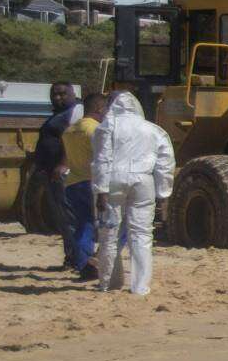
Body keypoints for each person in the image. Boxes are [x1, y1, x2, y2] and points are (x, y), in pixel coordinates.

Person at [91, 91, 175, 295]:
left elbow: (102, 159)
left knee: (109, 233)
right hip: (143, 181)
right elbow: (166, 163)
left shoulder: (107, 127)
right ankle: (140, 286)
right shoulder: (154, 130)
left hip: (112, 181)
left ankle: (109, 282)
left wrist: (101, 190)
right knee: (142, 234)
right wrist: (163, 193)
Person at [57, 89, 109, 281]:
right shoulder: (95, 130)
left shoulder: (70, 129)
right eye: (105, 109)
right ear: (98, 108)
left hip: (72, 182)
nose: (107, 113)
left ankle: (82, 263)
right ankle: (90, 262)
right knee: (99, 226)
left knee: (82, 224)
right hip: (91, 183)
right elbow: (102, 158)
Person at [33, 82, 82, 269]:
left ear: (73, 93)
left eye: (62, 94)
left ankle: (78, 259)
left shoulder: (76, 112)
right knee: (62, 218)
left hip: (64, 173)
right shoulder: (58, 114)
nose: (57, 97)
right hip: (51, 172)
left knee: (69, 217)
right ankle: (71, 257)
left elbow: (73, 140)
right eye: (54, 94)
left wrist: (63, 163)